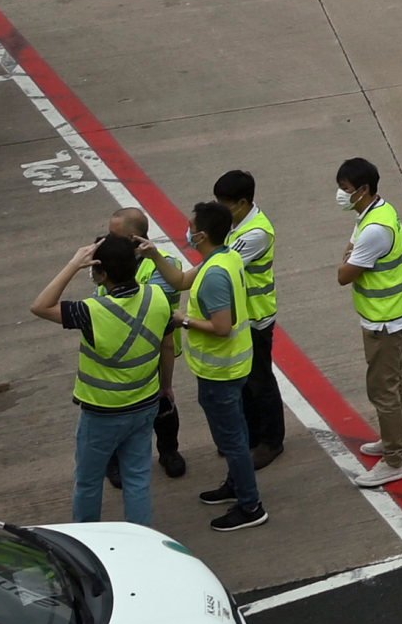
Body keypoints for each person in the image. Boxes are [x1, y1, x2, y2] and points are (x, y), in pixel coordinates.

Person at [33, 229, 179, 527]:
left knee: (88, 482)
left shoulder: (91, 311)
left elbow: (40, 306)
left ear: (99, 273)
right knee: (138, 479)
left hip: (102, 412)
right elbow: (167, 346)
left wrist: (74, 263)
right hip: (145, 404)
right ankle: (141, 539)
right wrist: (165, 387)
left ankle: (88, 540)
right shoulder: (159, 298)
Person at [179, 201, 266, 530]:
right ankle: (236, 485)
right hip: (232, 365)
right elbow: (180, 280)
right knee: (237, 434)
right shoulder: (225, 257)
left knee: (232, 440)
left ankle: (250, 505)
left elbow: (221, 326)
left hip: (221, 372)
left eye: (190, 226)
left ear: (201, 234)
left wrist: (183, 319)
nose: (186, 231)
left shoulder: (214, 274)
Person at [334, 156, 402, 488]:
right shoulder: (378, 212)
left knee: (382, 389)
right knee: (393, 382)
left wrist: (348, 261)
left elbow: (344, 273)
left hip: (385, 321)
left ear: (364, 190)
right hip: (393, 314)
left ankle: (394, 459)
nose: (341, 195)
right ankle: (395, 440)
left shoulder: (373, 230)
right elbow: (351, 254)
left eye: (345, 190)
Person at [212, 170, 285, 468]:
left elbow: (222, 262)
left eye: (225, 203)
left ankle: (271, 441)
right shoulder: (233, 223)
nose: (220, 208)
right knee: (243, 381)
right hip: (241, 315)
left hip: (256, 316)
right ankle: (251, 435)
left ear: (243, 202)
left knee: (260, 381)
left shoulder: (256, 233)